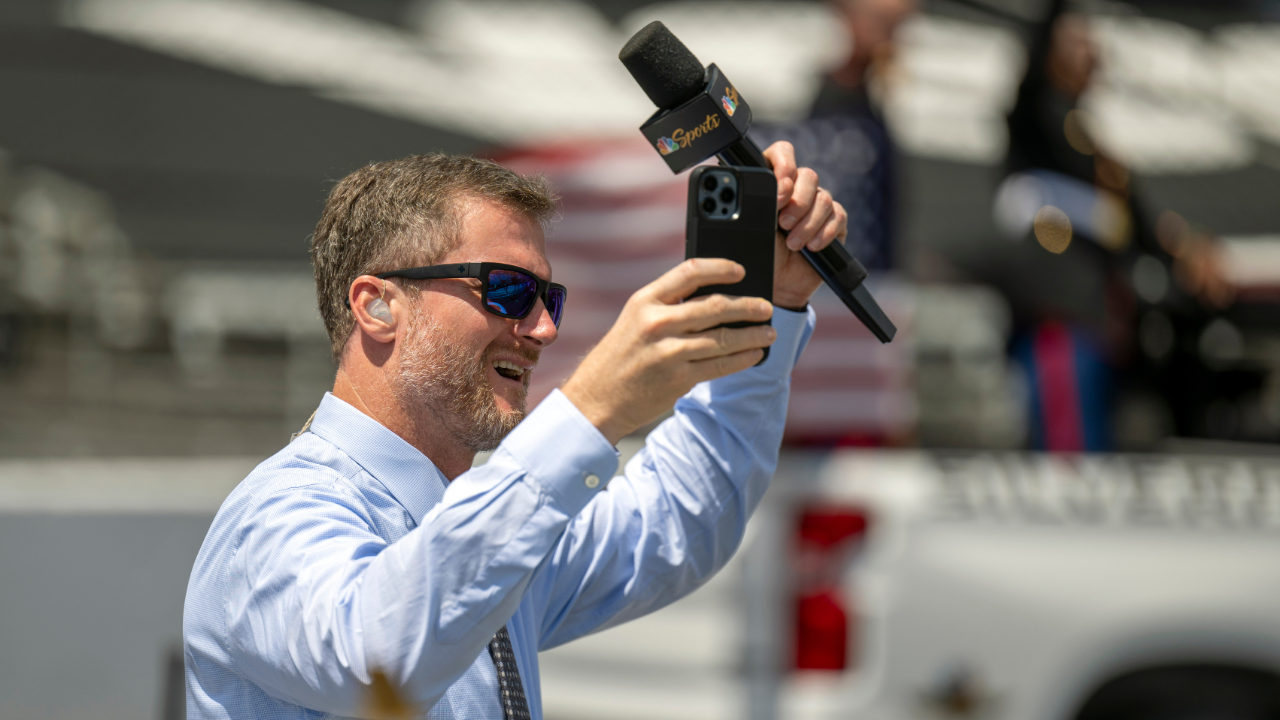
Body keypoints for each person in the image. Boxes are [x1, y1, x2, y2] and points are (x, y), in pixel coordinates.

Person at [183, 145, 846, 719]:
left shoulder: (469, 517)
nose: (542, 329)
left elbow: (677, 523)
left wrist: (773, 306)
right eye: (506, 290)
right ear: (377, 305)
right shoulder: (276, 515)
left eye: (546, 298)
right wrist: (589, 409)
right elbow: (379, 662)